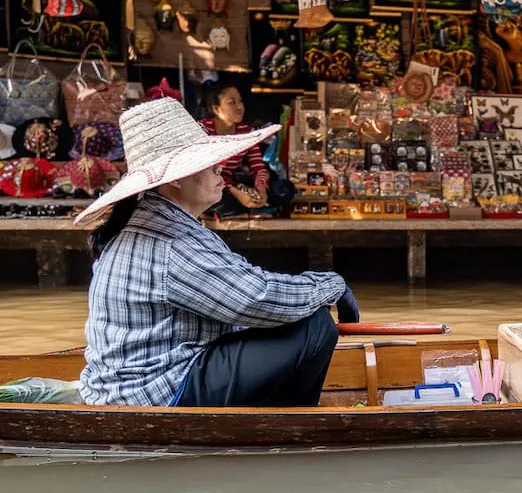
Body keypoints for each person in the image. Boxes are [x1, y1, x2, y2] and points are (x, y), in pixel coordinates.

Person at [72, 98, 360, 408]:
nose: (219, 168)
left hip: (139, 385)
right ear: (178, 179)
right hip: (152, 393)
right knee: (314, 327)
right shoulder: (169, 241)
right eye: (208, 163)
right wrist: (331, 285)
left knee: (295, 317)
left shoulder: (159, 223)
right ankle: (292, 426)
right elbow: (257, 298)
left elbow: (246, 289)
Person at [198, 81, 292, 219]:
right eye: (232, 102)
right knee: (219, 198)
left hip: (232, 186)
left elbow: (258, 167)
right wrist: (234, 191)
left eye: (240, 101)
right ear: (217, 109)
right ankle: (234, 210)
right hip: (209, 187)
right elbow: (204, 173)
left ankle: (244, 208)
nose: (240, 107)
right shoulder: (203, 131)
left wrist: (261, 189)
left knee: (284, 189)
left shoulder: (245, 132)